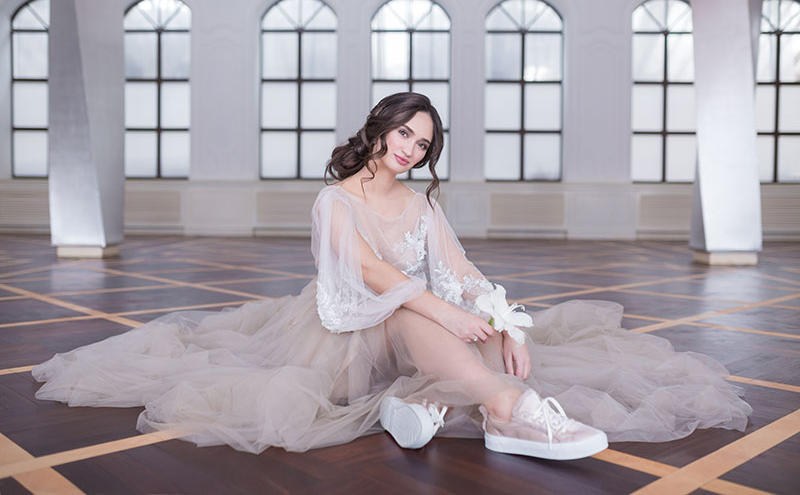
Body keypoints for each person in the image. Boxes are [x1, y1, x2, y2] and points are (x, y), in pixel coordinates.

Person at [31, 92, 751, 460]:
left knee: (456, 318)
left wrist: (501, 320)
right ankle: (506, 405)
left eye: (424, 142)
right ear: (379, 129)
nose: (411, 148)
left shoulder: (421, 202)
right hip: (343, 336)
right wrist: (448, 314)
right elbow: (374, 274)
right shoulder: (334, 199)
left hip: (411, 324)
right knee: (414, 308)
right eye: (405, 132)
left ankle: (456, 402)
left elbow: (458, 267)